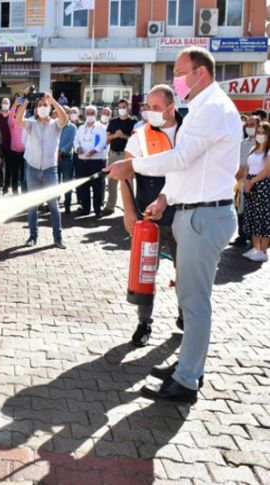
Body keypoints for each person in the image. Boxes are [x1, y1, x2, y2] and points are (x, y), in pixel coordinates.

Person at [106, 46, 240, 403]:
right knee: (189, 297)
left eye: (181, 73)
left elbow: (181, 157)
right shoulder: (201, 109)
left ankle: (186, 380)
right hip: (193, 210)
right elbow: (191, 168)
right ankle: (187, 365)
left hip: (204, 215)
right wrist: (166, 197)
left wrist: (132, 167)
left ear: (201, 73)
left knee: (195, 304)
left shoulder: (212, 108)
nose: (177, 80)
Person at [122, 84, 184, 347]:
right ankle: (144, 322)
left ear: (172, 107)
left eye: (156, 108)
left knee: (186, 270)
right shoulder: (140, 135)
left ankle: (185, 315)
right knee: (146, 271)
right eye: (148, 107)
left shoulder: (189, 131)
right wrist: (128, 212)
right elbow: (125, 172)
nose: (150, 113)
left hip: (183, 213)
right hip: (150, 216)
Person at [15, 93, 68, 248]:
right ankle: (32, 237)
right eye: (40, 105)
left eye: (45, 105)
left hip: (50, 170)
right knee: (33, 205)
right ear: (36, 109)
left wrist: (52, 100)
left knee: (53, 205)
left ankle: (57, 238)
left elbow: (64, 117)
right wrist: (26, 102)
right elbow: (18, 119)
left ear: (50, 108)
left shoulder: (55, 124)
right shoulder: (32, 124)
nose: (43, 107)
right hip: (32, 169)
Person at [240, 121, 270, 262]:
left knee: (263, 218)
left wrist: (252, 181)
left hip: (262, 186)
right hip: (250, 186)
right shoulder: (253, 149)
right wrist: (245, 181)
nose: (260, 135)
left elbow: (266, 170)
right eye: (259, 132)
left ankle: (263, 251)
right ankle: (255, 247)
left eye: (263, 133)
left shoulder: (268, 151)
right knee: (251, 216)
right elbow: (246, 167)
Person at [231, 115, 260, 247]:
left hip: (255, 181)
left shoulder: (262, 144)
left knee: (254, 211)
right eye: (247, 125)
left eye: (252, 125)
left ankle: (255, 240)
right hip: (240, 182)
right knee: (239, 209)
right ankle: (242, 236)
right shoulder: (242, 143)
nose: (249, 127)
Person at [104, 99, 137, 215]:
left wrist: (123, 136)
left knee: (127, 183)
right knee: (112, 182)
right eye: (120, 107)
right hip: (113, 154)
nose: (122, 109)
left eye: (124, 107)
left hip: (126, 155)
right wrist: (115, 136)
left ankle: (129, 209)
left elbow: (135, 140)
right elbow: (107, 140)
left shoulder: (133, 122)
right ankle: (110, 206)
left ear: (128, 108)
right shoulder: (113, 122)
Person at [74, 106, 108, 217]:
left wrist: (95, 150)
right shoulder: (80, 128)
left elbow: (103, 142)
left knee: (97, 186)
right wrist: (77, 148)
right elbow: (76, 141)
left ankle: (98, 210)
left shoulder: (101, 127)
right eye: (87, 112)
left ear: (96, 114)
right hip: (82, 161)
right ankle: (86, 208)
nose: (89, 114)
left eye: (92, 112)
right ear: (84, 114)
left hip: (96, 161)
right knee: (83, 186)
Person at [5, 95, 26, 195]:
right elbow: (10, 118)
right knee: (15, 173)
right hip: (14, 153)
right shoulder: (13, 121)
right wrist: (14, 105)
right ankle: (14, 192)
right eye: (19, 110)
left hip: (25, 153)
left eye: (22, 110)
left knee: (24, 174)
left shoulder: (26, 122)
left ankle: (24, 192)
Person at [58, 106, 77, 213]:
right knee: (55, 183)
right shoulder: (55, 125)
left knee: (67, 182)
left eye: (67, 112)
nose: (65, 113)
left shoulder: (73, 127)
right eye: (63, 112)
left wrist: (61, 152)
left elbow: (71, 143)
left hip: (67, 158)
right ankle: (54, 204)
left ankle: (67, 205)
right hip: (55, 158)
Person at [0, 98, 13, 197]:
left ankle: (6, 187)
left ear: (9, 104)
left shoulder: (12, 116)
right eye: (3, 103)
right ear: (1, 104)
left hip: (10, 146)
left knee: (9, 168)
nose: (5, 104)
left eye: (7, 103)